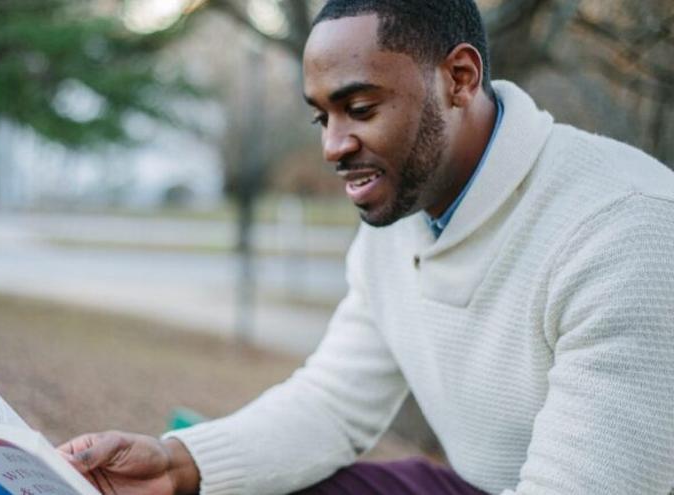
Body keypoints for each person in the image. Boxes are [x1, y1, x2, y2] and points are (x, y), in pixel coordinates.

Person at [58, 1, 674, 494]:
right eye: (322, 117)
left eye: (358, 108)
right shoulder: (402, 213)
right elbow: (332, 404)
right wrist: (177, 464)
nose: (333, 146)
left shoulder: (626, 230)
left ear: (459, 78)